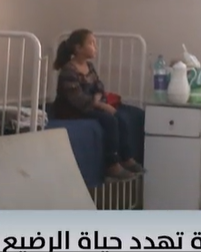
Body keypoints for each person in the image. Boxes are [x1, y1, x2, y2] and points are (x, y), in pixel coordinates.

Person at [53, 29, 145, 180]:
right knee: (109, 120)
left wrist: (99, 98)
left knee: (120, 118)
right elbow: (76, 99)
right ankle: (112, 164)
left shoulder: (89, 66)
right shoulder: (69, 70)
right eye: (91, 43)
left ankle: (127, 157)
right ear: (78, 48)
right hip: (72, 110)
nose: (95, 47)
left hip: (91, 104)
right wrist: (100, 105)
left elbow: (99, 86)